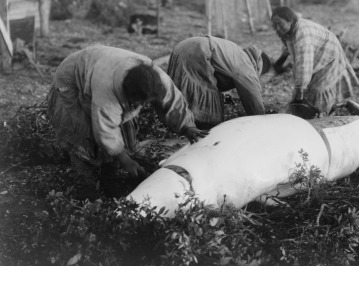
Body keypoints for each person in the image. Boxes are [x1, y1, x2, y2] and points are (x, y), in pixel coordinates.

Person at [47, 45, 208, 199]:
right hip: (72, 77)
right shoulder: (107, 92)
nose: (140, 106)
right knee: (82, 132)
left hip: (99, 63)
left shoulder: (155, 78)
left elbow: (172, 100)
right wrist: (126, 161)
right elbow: (106, 130)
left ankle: (110, 177)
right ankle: (86, 188)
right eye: (137, 102)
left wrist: (187, 126)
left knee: (120, 130)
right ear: (126, 93)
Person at [167, 35, 271, 128]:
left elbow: (219, 73)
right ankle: (203, 131)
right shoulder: (246, 64)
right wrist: (261, 122)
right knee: (211, 115)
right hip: (199, 51)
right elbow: (252, 94)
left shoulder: (237, 52)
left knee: (183, 93)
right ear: (258, 65)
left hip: (183, 46)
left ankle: (181, 125)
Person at [270, 6, 359, 116]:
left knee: (318, 89)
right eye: (274, 25)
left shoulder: (302, 35)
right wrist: (279, 62)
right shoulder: (286, 30)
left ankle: (322, 114)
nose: (277, 28)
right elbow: (288, 48)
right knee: (305, 89)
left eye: (279, 23)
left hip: (329, 53)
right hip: (316, 52)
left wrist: (299, 95)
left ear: (290, 20)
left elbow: (303, 66)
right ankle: (307, 111)